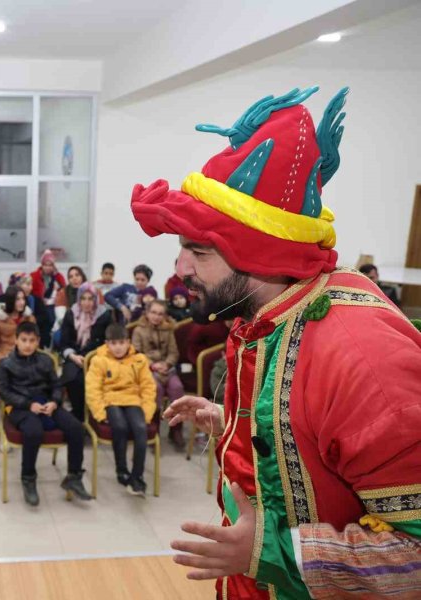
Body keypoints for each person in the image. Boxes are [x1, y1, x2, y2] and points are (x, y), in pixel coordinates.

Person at [132, 86, 421, 598]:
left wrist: (267, 554)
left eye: (197, 250)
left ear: (258, 253)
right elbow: (319, 440)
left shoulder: (362, 359)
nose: (179, 269)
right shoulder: (266, 314)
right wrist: (237, 420)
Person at [0, 321, 93, 507]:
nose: (28, 344)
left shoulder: (46, 360)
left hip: (46, 403)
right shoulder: (6, 364)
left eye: (32, 340)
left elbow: (56, 385)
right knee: (33, 431)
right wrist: (28, 404)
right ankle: (28, 478)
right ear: (16, 340)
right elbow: (4, 392)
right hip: (19, 407)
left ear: (38, 341)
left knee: (76, 428)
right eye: (24, 340)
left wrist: (55, 402)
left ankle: (74, 476)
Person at [85, 323, 156, 496]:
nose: (118, 347)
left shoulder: (139, 360)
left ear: (128, 342)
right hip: (111, 401)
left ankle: (137, 476)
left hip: (133, 400)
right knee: (120, 427)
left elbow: (148, 387)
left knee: (140, 429)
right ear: (107, 343)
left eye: (122, 343)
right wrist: (100, 413)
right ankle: (121, 469)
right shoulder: (98, 360)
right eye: (114, 343)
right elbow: (93, 389)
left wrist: (146, 412)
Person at [132, 300, 185, 451]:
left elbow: (174, 352)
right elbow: (136, 354)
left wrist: (166, 364)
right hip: (147, 369)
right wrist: (153, 365)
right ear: (147, 313)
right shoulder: (139, 330)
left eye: (160, 314)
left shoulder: (168, 330)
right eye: (153, 313)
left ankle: (176, 430)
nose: (156, 316)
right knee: (155, 389)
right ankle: (153, 429)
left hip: (166, 369)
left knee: (177, 388)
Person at [55, 282, 112, 421]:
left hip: (96, 357)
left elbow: (107, 342)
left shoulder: (104, 315)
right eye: (83, 298)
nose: (87, 303)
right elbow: (64, 342)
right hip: (74, 356)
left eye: (91, 299)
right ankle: (79, 415)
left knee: (90, 379)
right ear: (79, 299)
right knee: (74, 379)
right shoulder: (71, 314)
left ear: (96, 300)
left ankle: (93, 415)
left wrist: (88, 357)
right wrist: (73, 356)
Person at [0, 285, 35, 366]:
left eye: (23, 299)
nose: (22, 302)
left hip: (27, 361)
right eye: (18, 299)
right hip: (6, 361)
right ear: (10, 300)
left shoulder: (29, 318)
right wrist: (3, 361)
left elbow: (35, 342)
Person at [30, 249, 66, 344]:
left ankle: (53, 341)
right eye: (45, 265)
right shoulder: (34, 276)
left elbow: (64, 291)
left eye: (50, 265)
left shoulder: (58, 277)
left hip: (55, 304)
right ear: (42, 265)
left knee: (56, 317)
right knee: (45, 316)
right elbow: (30, 292)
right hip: (39, 304)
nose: (48, 268)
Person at [9, 272, 50, 349]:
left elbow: (45, 319)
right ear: (17, 285)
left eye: (31, 284)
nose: (30, 287)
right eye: (27, 284)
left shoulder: (35, 300)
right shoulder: (5, 302)